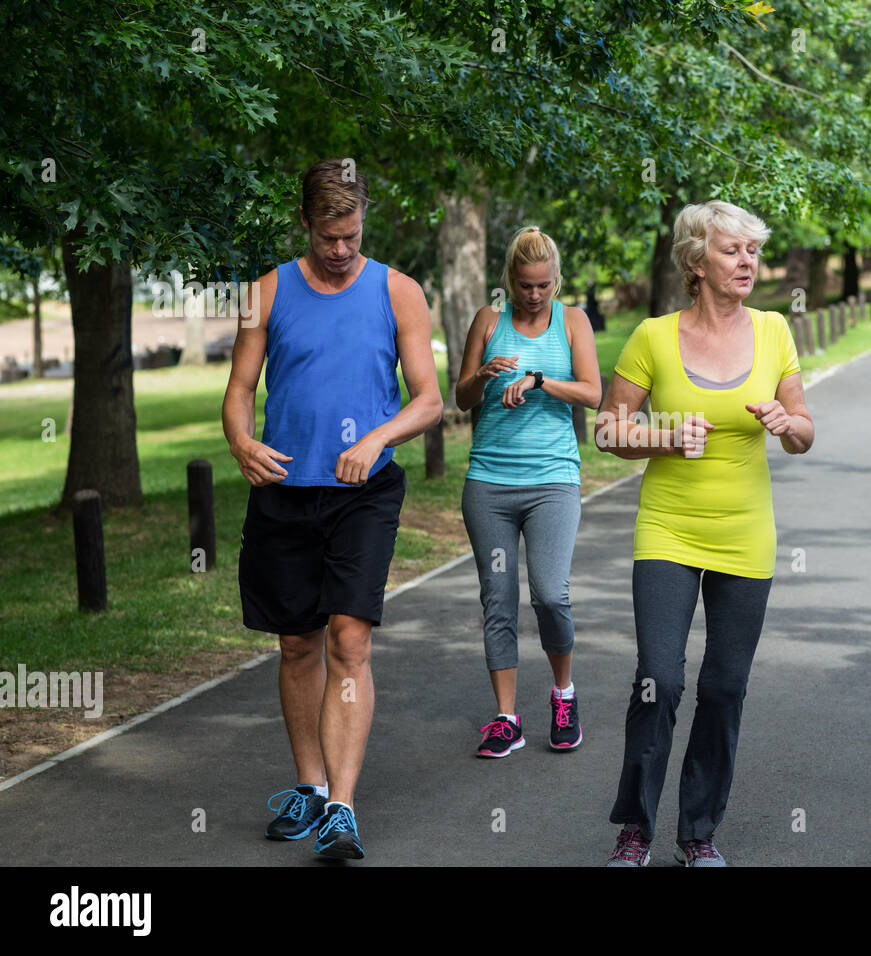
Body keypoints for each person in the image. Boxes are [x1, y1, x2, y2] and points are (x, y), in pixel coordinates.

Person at [223, 158, 443, 860]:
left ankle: (341, 809)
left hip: (364, 495)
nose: (341, 250)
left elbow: (429, 399)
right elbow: (239, 387)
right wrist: (239, 441)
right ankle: (310, 788)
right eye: (328, 237)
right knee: (297, 643)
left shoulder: (399, 292)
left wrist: (378, 438)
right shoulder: (267, 291)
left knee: (350, 639)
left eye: (351, 235)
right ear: (306, 224)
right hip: (284, 489)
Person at [598, 200, 813, 867]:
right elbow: (606, 429)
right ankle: (635, 829)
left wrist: (786, 421)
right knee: (658, 679)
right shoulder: (653, 337)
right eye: (732, 251)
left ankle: (698, 831)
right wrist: (662, 435)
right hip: (667, 529)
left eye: (753, 250)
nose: (748, 262)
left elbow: (805, 433)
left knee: (726, 685)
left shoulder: (775, 330)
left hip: (746, 535)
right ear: (697, 260)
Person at [455, 226, 602, 757]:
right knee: (498, 597)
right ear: (509, 280)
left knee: (549, 593)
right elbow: (462, 396)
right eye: (524, 285)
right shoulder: (488, 322)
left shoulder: (573, 321)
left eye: (542, 286)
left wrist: (539, 379)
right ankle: (505, 718)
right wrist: (485, 375)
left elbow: (591, 392)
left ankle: (563, 694)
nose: (534, 295)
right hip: (489, 483)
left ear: (554, 280)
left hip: (553, 482)